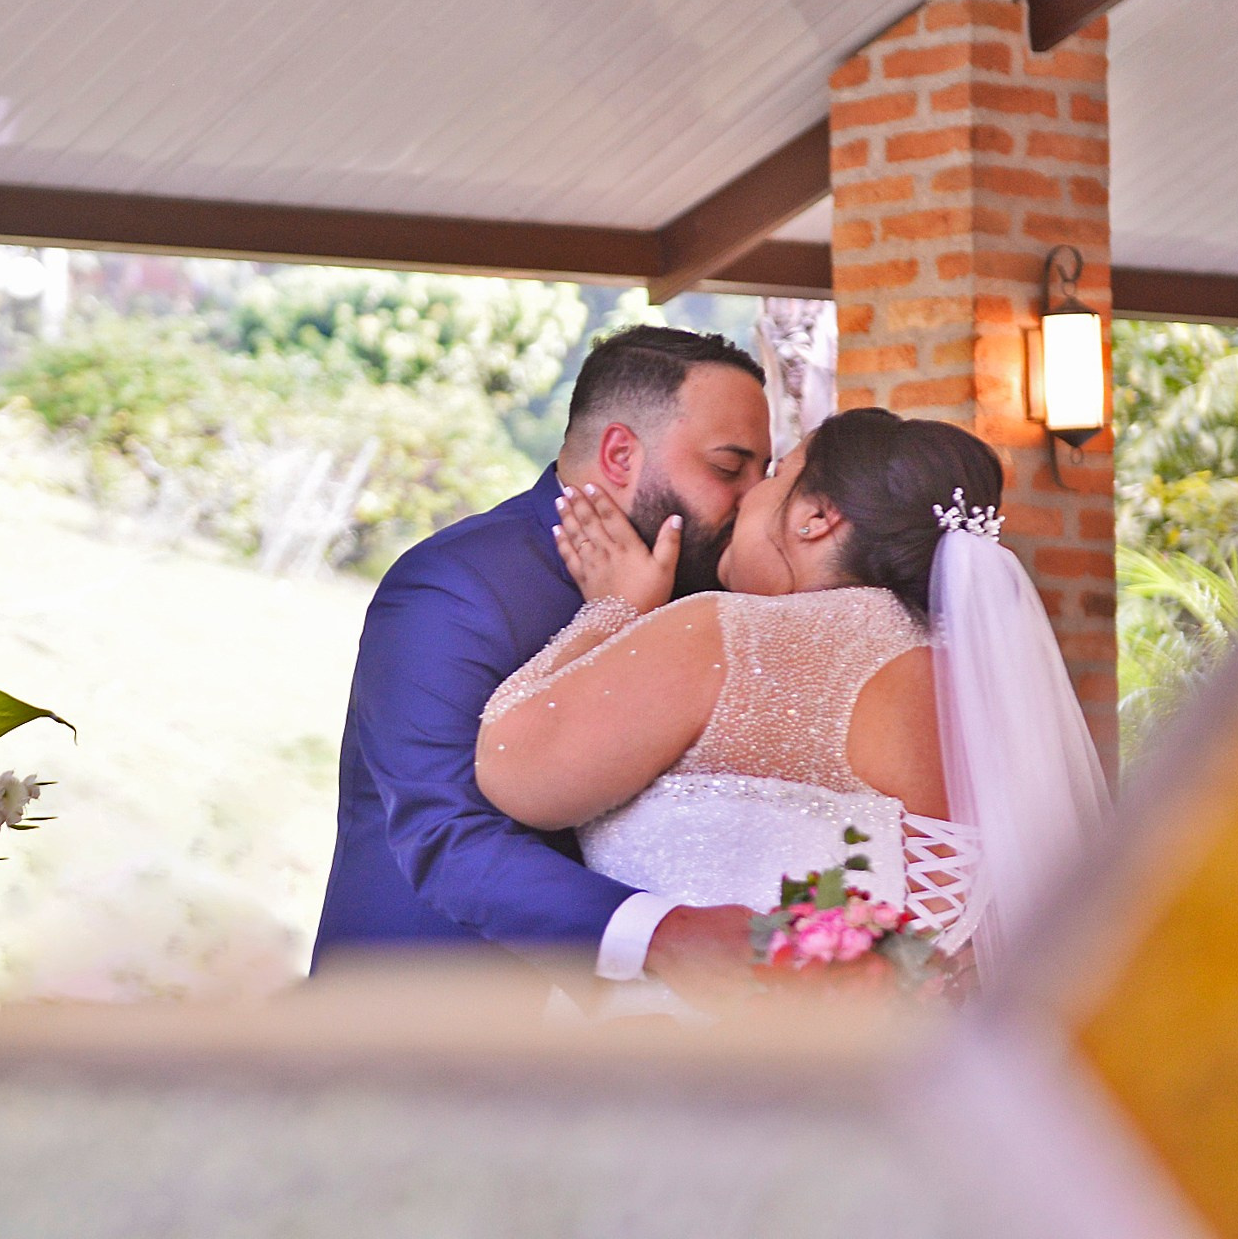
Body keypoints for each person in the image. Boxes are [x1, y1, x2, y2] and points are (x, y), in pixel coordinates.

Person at [476, 407, 1111, 1007]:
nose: (746, 495)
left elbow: (513, 768)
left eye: (775, 473)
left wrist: (611, 608)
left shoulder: (729, 636)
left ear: (816, 517)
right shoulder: (979, 685)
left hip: (699, 1083)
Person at [311, 325, 775, 994]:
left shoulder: (717, 597)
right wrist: (664, 935)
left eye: (766, 474)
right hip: (428, 1020)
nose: (752, 497)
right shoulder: (454, 587)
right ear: (620, 454)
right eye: (730, 469)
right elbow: (447, 837)